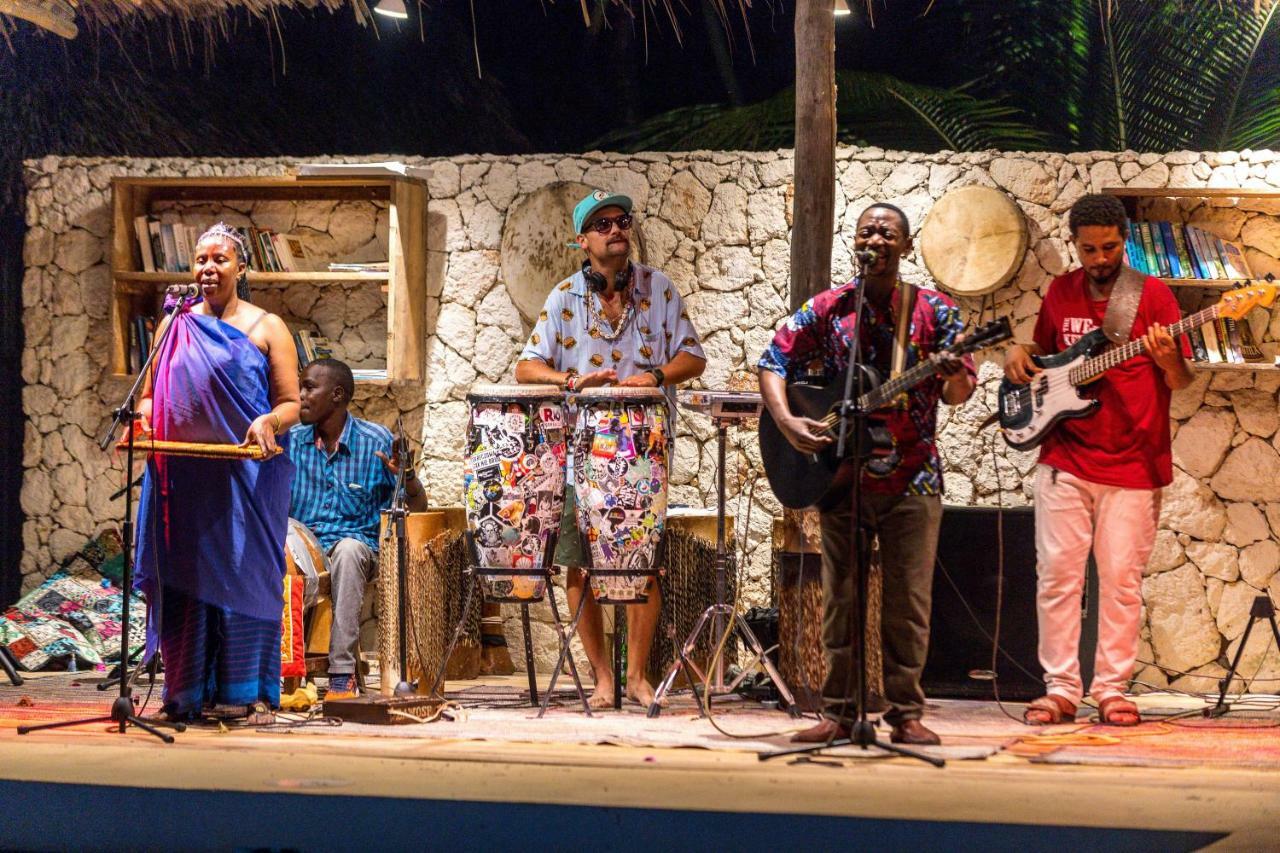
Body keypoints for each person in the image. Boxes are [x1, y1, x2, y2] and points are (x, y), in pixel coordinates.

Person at [758, 202, 976, 746]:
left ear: (905, 247)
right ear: (855, 243)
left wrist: (950, 373)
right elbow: (772, 361)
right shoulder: (831, 308)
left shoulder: (934, 312)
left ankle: (905, 712)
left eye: (888, 233)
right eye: (866, 231)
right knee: (841, 601)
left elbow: (958, 391)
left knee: (908, 605)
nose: (875, 238)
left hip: (914, 476)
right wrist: (787, 423)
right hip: (843, 476)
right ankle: (839, 711)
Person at [1004, 194, 1192, 727]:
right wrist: (1018, 352)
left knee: (1120, 581)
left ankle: (1112, 689)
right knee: (1058, 578)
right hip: (1064, 458)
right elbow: (1043, 362)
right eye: (1090, 249)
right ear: (1076, 245)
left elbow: (1180, 381)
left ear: (1123, 242)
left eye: (1109, 247)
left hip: (1134, 462)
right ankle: (1061, 689)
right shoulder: (1060, 291)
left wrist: (1167, 358)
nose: (1100, 258)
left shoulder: (1151, 296)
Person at [515, 189, 706, 708]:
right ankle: (602, 678)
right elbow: (526, 368)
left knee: (644, 565)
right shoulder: (562, 298)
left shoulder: (658, 289)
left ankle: (638, 676)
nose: (616, 229)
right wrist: (572, 381)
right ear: (583, 240)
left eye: (622, 220)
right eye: (603, 224)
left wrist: (656, 376)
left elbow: (694, 356)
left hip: (644, 453)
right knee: (579, 565)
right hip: (581, 454)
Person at [134, 222, 299, 724]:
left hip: (246, 480)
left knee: (245, 578)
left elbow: (291, 403)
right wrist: (143, 415)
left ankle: (245, 694)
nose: (208, 268)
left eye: (219, 259)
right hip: (182, 481)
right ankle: (184, 695)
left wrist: (267, 420)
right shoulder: (173, 325)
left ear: (240, 268)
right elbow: (147, 393)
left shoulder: (268, 327)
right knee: (183, 578)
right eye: (201, 260)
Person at [288, 358, 428, 700]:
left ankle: (341, 674)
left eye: (309, 388)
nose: (300, 395)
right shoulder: (292, 440)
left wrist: (405, 476)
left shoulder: (374, 440)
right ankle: (259, 672)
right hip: (303, 546)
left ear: (337, 395)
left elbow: (418, 507)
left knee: (349, 550)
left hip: (359, 549)